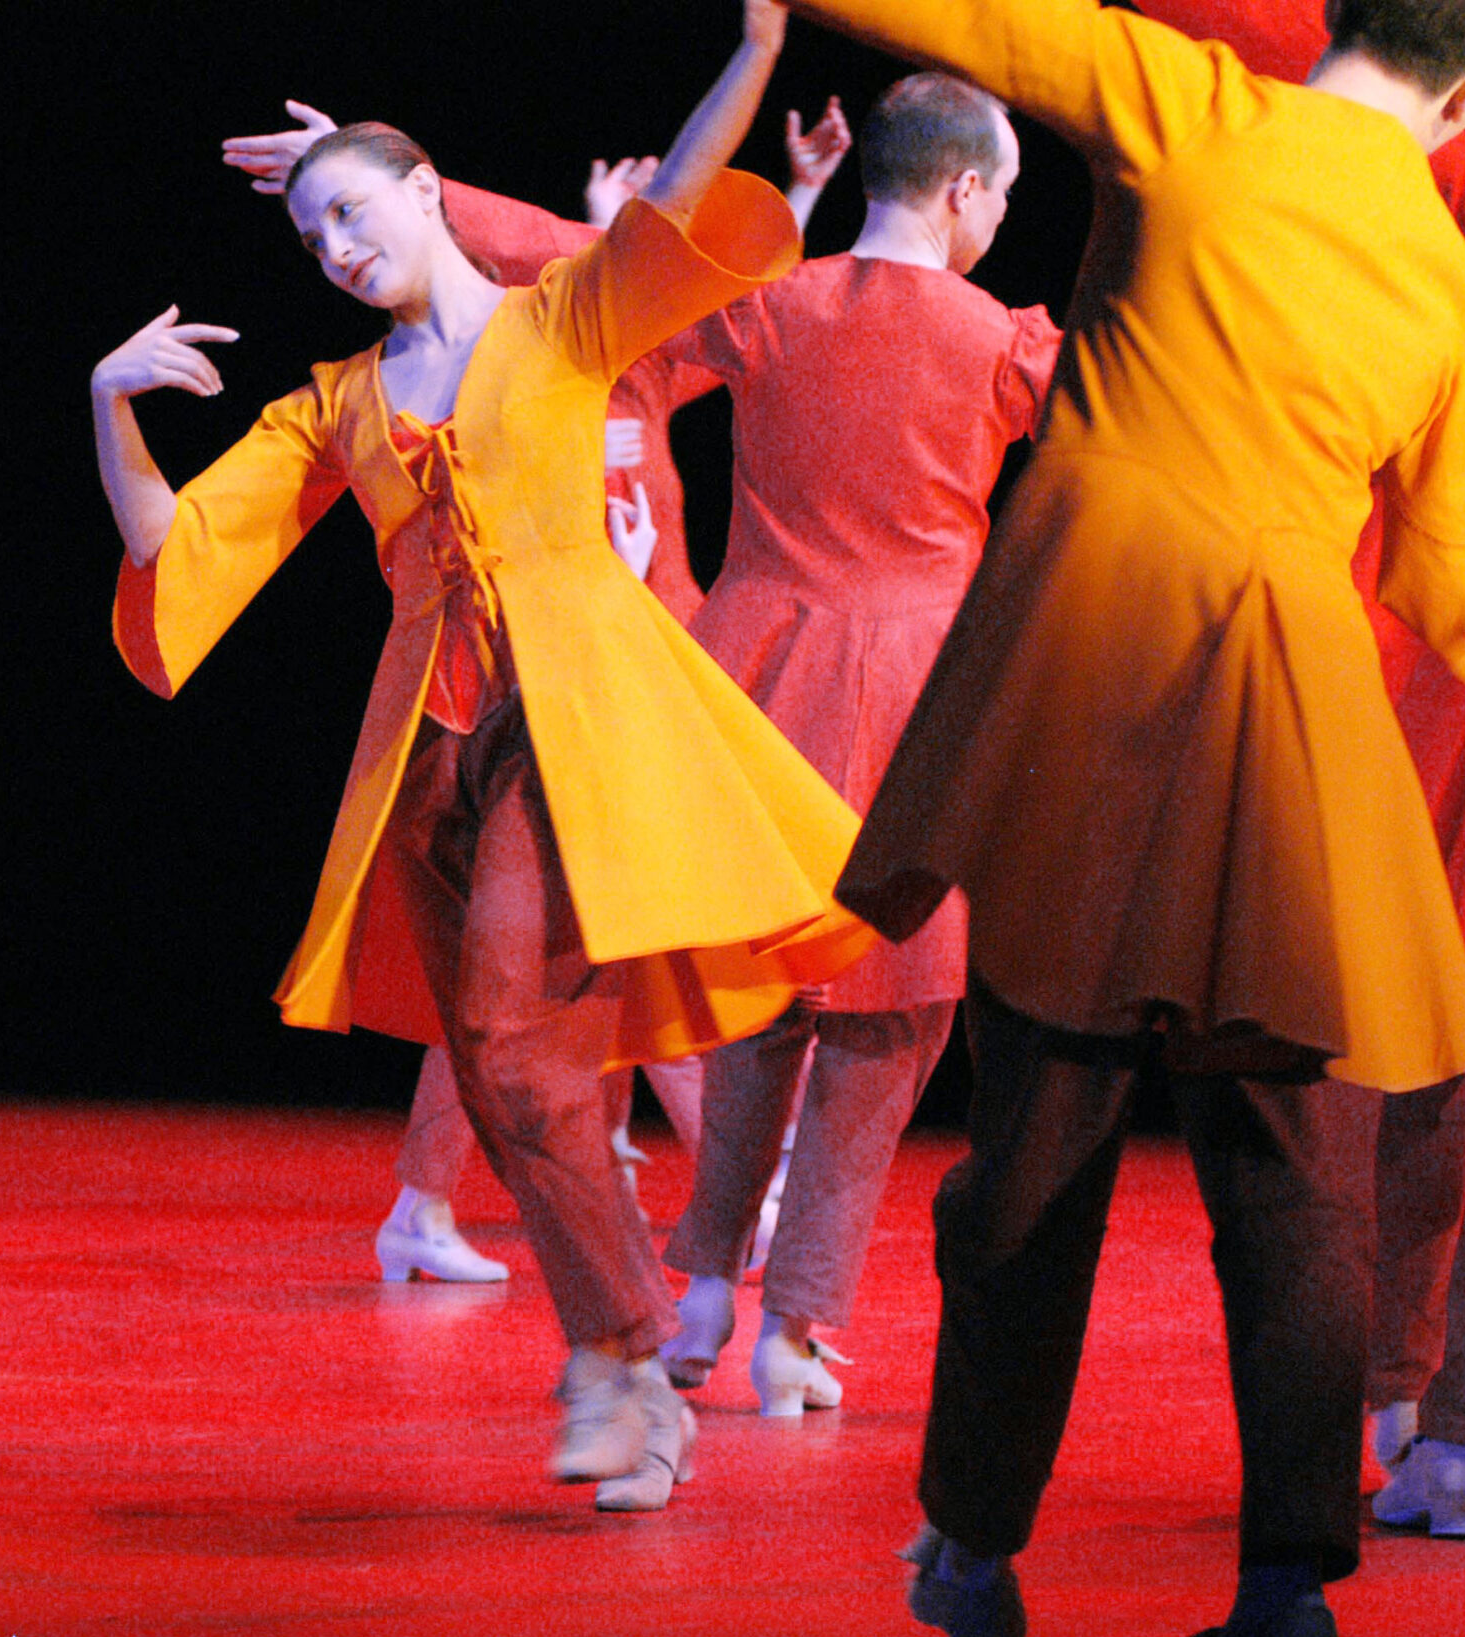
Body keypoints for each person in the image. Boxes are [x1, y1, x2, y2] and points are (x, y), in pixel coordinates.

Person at [774, 0, 1465, 1637]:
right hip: (1286, 721)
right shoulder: (1454, 283)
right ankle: (1289, 1591)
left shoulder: (1200, 106)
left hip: (1095, 666)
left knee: (1031, 1147)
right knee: (1291, 1187)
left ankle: (972, 1533)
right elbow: (1463, 615)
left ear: (1345, 14)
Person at [97, 0, 876, 1513]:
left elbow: (675, 209)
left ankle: (624, 1362)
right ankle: (633, 1365)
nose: (331, 245)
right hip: (431, 757)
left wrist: (758, 51)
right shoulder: (338, 402)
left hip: (572, 728)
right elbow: (175, 548)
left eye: (350, 210)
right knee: (517, 1082)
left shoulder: (562, 317)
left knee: (521, 1050)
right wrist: (107, 405)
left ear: (423, 185)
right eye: (310, 230)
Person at [1134, 0, 1465, 1543]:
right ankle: (1459, 1438)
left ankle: (1384, 1380)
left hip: (1445, 650)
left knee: (1417, 1037)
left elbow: (1303, 42)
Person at [222, 93, 856, 1288]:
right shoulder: (511, 356)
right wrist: (406, 184)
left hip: (628, 675)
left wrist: (796, 197)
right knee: (570, 954)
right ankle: (715, 1180)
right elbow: (553, 261)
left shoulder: (629, 362)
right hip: (520, 689)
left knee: (533, 973)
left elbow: (724, 295)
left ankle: (450, 1197)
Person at [651, 71, 1061, 1416]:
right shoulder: (1001, 339)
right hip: (914, 693)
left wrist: (799, 202)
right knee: (892, 1018)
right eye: (999, 193)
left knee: (761, 995)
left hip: (757, 675)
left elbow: (635, 307)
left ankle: (706, 1286)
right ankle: (799, 1323)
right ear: (963, 191)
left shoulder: (769, 309)